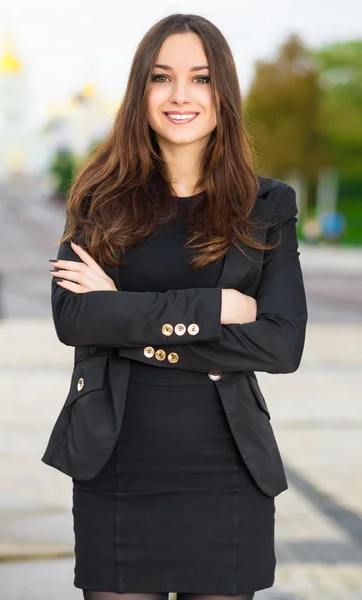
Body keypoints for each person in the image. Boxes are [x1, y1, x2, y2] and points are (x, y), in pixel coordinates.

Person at [43, 12, 308, 600]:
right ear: (141, 92)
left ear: (224, 93)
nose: (181, 95)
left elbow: (283, 343)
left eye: (201, 78)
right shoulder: (99, 195)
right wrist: (215, 307)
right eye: (162, 78)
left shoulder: (268, 203)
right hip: (115, 465)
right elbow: (75, 319)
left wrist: (124, 316)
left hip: (227, 473)